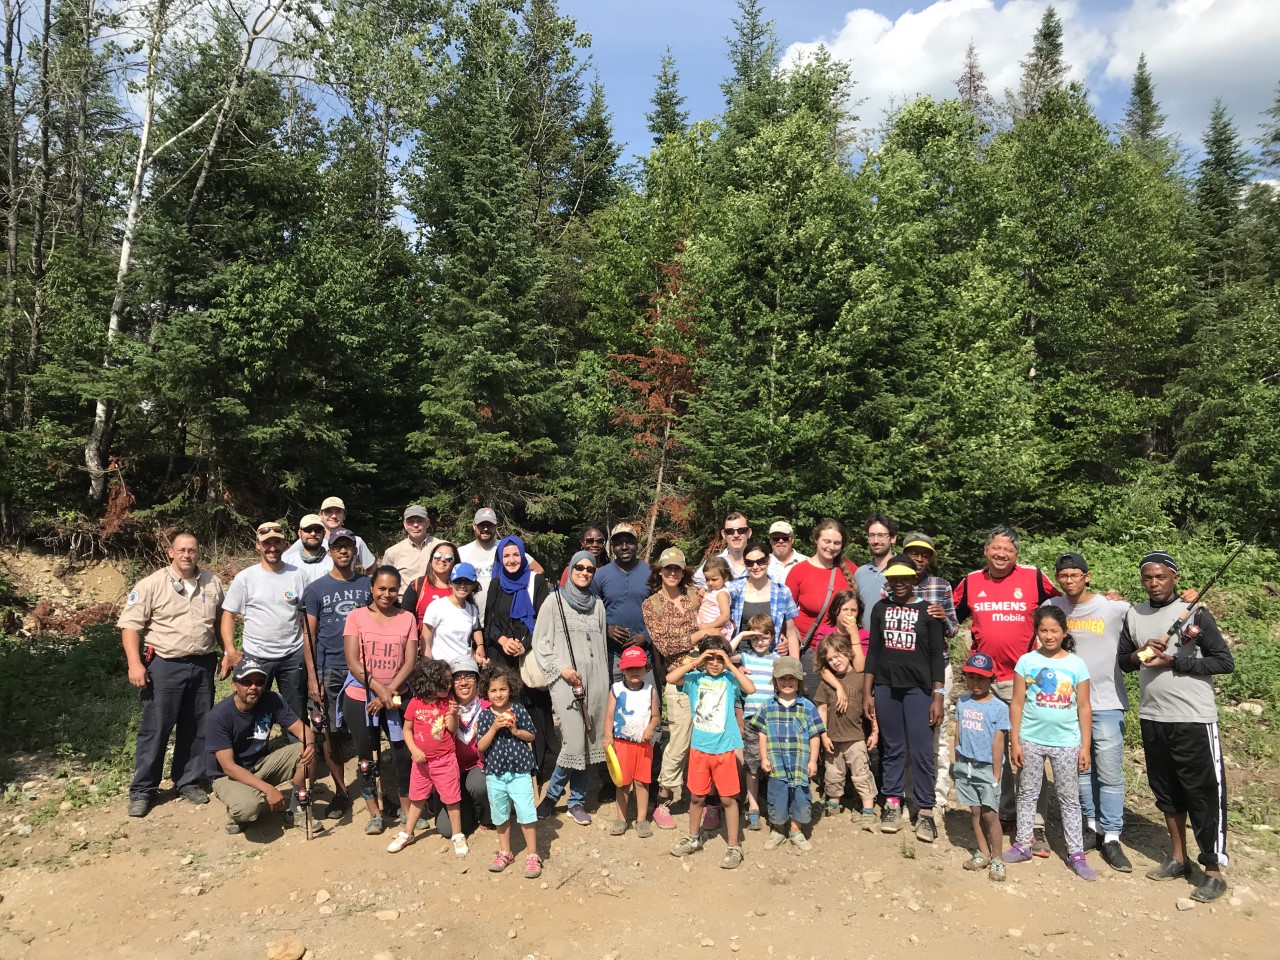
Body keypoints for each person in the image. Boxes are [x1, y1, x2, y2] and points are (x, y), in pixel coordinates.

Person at [1118, 551, 1234, 903]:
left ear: (1174, 578)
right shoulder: (1133, 614)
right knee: (1166, 793)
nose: (1154, 583)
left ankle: (1213, 870)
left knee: (1202, 793)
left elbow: (1223, 661)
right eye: (1148, 578)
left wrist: (1176, 661)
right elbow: (1125, 662)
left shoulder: (1197, 611)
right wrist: (1141, 653)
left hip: (1194, 718)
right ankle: (1178, 858)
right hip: (1153, 717)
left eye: (1161, 577)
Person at [953, 524, 1060, 842]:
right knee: (991, 754)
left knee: (1027, 753)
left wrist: (1105, 599)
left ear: (1017, 554)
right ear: (986, 551)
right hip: (983, 683)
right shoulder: (971, 582)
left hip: (1024, 682)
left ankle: (1035, 823)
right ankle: (1005, 815)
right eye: (996, 549)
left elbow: (1068, 604)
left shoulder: (1035, 578)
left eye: (1008, 550)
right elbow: (949, 617)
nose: (1001, 554)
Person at [120, 533, 233, 818]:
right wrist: (135, 663)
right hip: (165, 665)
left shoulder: (211, 582)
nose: (187, 555)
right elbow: (131, 627)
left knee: (198, 726)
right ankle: (143, 790)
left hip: (202, 663)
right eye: (181, 550)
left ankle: (188, 781)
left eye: (192, 550)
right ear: (170, 553)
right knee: (156, 728)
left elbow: (221, 620)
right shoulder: (151, 584)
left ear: (198, 553)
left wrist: (228, 652)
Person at [1046, 551, 1134, 872]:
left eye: (1075, 575)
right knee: (1081, 770)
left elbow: (1152, 614)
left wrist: (1187, 598)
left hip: (1107, 701)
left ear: (1087, 576)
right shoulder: (1052, 609)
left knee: (1109, 773)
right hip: (1068, 705)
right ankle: (1092, 826)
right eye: (1063, 576)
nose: (1069, 581)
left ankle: (1112, 836)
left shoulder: (1115, 608)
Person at [1003, 607, 1096, 881]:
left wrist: (1085, 746)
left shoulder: (1076, 665)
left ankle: (1076, 853)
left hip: (1067, 743)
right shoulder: (1026, 661)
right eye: (1043, 630)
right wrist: (1015, 742)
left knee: (1069, 799)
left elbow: (1084, 707)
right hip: (1030, 739)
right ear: (1036, 632)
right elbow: (1017, 703)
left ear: (1064, 632)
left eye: (1054, 630)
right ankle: (1023, 844)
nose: (1049, 635)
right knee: (1027, 793)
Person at [864, 554, 947, 842]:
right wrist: (868, 691)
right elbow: (873, 651)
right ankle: (892, 803)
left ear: (914, 579)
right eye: (893, 577)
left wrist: (938, 695)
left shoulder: (930, 612)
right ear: (888, 579)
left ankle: (925, 810)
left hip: (920, 690)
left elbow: (938, 656)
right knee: (893, 747)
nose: (898, 582)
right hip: (886, 687)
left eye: (904, 577)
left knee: (922, 750)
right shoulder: (880, 609)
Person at [533, 551, 609, 826]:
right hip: (567, 681)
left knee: (589, 742)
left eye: (590, 569)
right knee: (574, 742)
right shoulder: (554, 602)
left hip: (597, 681)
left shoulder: (597, 605)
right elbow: (540, 643)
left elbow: (600, 646)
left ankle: (577, 801)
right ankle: (551, 798)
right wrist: (562, 668)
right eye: (579, 567)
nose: (585, 572)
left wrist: (603, 684)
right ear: (570, 568)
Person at [666, 637, 755, 869]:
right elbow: (670, 678)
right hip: (699, 749)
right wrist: (697, 661)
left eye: (719, 659)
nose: (714, 663)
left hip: (724, 750)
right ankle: (693, 838)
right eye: (710, 658)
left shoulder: (730, 679)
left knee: (728, 798)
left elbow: (750, 688)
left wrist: (730, 663)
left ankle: (734, 845)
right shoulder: (695, 679)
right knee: (697, 797)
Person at [302, 528, 370, 821]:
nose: (343, 551)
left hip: (364, 670)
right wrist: (312, 677)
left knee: (367, 732)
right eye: (338, 547)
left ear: (355, 551)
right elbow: (309, 635)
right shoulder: (316, 589)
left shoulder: (369, 585)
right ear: (329, 552)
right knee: (331, 734)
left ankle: (372, 789)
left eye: (348, 547)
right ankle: (341, 792)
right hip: (329, 669)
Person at [342, 566, 416, 835]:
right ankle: (374, 811)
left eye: (393, 589)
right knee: (366, 756)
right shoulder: (356, 617)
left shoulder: (407, 618)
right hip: (360, 696)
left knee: (403, 753)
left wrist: (389, 692)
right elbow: (352, 661)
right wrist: (377, 689)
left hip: (397, 696)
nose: (387, 594)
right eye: (381, 588)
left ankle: (408, 809)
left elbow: (410, 660)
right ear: (372, 588)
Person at [206, 658, 315, 835]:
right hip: (227, 776)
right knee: (248, 807)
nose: (253, 687)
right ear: (234, 685)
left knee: (304, 751)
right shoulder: (218, 716)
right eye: (246, 682)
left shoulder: (271, 699)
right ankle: (238, 811)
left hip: (260, 764)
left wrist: (309, 744)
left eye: (259, 682)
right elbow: (229, 767)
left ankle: (296, 810)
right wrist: (268, 789)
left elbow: (302, 729)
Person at [221, 522, 310, 723]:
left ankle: (299, 749)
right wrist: (230, 651)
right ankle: (252, 749)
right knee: (251, 705)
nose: (272, 547)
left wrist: (309, 649)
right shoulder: (245, 578)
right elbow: (228, 615)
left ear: (285, 544)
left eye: (277, 542)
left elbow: (308, 616)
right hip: (257, 654)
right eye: (266, 543)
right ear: (257, 546)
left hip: (292, 654)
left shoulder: (298, 575)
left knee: (296, 708)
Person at [483, 535, 554, 780]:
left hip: (530, 655)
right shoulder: (495, 584)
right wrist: (503, 641)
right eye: (506, 555)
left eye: (516, 555)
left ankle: (538, 767)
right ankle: (507, 762)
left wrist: (524, 643)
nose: (512, 560)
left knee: (534, 710)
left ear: (523, 556)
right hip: (502, 657)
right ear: (500, 559)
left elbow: (545, 621)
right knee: (505, 707)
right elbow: (488, 623)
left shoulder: (537, 581)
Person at [899, 532, 961, 811]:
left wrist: (942, 617)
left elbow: (954, 630)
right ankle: (908, 792)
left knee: (937, 728)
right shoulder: (891, 585)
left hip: (938, 667)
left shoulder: (941, 585)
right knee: (906, 732)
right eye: (913, 552)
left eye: (924, 554)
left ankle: (937, 794)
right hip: (903, 668)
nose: (919, 558)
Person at [641, 547, 701, 830]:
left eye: (678, 569)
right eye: (668, 569)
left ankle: (703, 798)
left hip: (708, 676)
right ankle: (663, 798)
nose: (673, 573)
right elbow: (665, 646)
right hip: (678, 679)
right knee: (678, 739)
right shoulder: (651, 605)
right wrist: (699, 635)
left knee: (706, 739)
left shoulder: (695, 597)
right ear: (659, 572)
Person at [387, 658, 466, 855]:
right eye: (445, 681)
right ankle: (407, 833)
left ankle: (458, 835)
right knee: (417, 797)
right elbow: (407, 730)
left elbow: (453, 730)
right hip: (421, 762)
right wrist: (413, 750)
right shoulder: (415, 703)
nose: (450, 685)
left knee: (452, 798)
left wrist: (453, 717)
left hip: (445, 760)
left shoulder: (449, 702)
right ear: (430, 682)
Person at [751, 656, 824, 852]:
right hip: (777, 764)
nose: (787, 682)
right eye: (783, 678)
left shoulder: (807, 707)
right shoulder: (767, 706)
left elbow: (815, 735)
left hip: (800, 764)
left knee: (800, 796)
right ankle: (778, 830)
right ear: (775, 681)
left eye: (792, 678)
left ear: (799, 681)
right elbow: (762, 733)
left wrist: (813, 761)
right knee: (777, 796)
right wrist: (764, 758)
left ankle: (796, 831)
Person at [477, 664, 543, 879]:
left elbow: (531, 736)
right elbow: (481, 746)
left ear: (510, 689)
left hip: (519, 770)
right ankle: (505, 851)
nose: (498, 694)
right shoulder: (485, 716)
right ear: (486, 692)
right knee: (500, 814)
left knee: (525, 812)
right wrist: (495, 728)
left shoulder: (519, 710)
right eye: (493, 690)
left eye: (502, 689)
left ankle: (533, 855)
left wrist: (515, 730)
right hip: (495, 773)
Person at [954, 651, 1010, 883]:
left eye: (982, 678)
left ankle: (998, 858)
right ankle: (983, 852)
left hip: (987, 767)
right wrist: (956, 759)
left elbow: (999, 742)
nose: (976, 682)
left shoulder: (998, 707)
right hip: (965, 765)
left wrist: (996, 774)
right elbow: (958, 732)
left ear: (992, 680)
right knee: (975, 811)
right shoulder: (962, 701)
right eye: (971, 677)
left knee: (990, 814)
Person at [786, 519, 859, 694]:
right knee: (814, 707)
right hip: (811, 653)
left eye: (837, 543)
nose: (831, 547)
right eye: (827, 541)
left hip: (843, 653)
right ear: (816, 539)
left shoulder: (850, 569)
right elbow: (785, 613)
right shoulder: (799, 571)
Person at [814, 632, 878, 830]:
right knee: (833, 772)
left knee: (861, 773)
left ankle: (868, 808)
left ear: (848, 652)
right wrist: (823, 734)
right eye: (830, 659)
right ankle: (834, 802)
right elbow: (821, 709)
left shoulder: (860, 677)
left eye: (838, 655)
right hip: (833, 737)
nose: (835, 661)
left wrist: (875, 731)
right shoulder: (826, 682)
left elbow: (873, 708)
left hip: (856, 736)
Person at [605, 645, 660, 837]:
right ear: (622, 668)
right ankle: (621, 819)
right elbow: (609, 716)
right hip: (621, 743)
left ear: (646, 668)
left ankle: (642, 819)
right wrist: (608, 736)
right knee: (622, 783)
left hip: (643, 745)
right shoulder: (616, 689)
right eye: (629, 668)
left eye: (638, 667)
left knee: (642, 782)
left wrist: (650, 728)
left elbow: (655, 716)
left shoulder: (650, 690)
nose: (634, 672)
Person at [457, 507, 543, 623]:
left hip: (499, 621)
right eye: (481, 525)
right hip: (469, 618)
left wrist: (517, 588)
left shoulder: (506, 548)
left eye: (490, 525)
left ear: (496, 526)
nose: (486, 529)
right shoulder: (462, 552)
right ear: (474, 525)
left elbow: (538, 569)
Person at [590, 523, 653, 681]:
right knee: (614, 702)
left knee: (649, 703)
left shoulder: (651, 573)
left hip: (644, 654)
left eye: (629, 542)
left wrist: (646, 636)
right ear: (612, 547)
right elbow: (589, 613)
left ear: (637, 545)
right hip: (613, 656)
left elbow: (663, 613)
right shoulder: (601, 576)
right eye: (618, 543)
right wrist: (606, 629)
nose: (624, 547)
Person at [737, 614, 780, 832]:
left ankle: (774, 807)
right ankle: (753, 807)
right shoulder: (745, 657)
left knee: (773, 765)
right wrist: (743, 634)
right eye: (755, 638)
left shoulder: (777, 661)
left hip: (773, 720)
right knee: (752, 765)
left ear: (772, 636)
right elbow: (724, 653)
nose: (760, 641)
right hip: (752, 719)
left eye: (764, 637)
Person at [442, 655, 491, 836]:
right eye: (457, 677)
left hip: (478, 768)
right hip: (450, 772)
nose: (463, 682)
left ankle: (487, 815)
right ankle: (469, 811)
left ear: (478, 681)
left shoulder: (488, 708)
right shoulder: (441, 708)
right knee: (447, 830)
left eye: (469, 676)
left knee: (479, 785)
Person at [727, 541, 801, 657]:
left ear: (768, 560)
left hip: (772, 659)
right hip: (739, 658)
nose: (755, 567)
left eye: (760, 561)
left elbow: (791, 633)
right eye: (750, 563)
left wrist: (795, 667)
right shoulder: (733, 589)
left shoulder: (782, 591)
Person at [421, 562, 485, 665]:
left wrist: (479, 650)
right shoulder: (437, 606)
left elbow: (464, 644)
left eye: (467, 582)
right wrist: (428, 664)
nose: (462, 585)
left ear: (473, 585)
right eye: (458, 581)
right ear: (450, 583)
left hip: (464, 668)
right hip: (441, 669)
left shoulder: (472, 609)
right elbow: (425, 641)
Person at [854, 512, 898, 631]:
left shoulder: (903, 570)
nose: (875, 541)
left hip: (893, 642)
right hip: (864, 643)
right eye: (871, 535)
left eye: (881, 535)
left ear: (893, 538)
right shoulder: (860, 572)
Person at [381, 505, 437, 595]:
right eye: (411, 522)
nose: (415, 525)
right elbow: (384, 582)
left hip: (435, 601)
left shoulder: (441, 547)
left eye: (420, 521)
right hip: (403, 604)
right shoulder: (393, 552)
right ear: (405, 525)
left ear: (427, 523)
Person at [401, 540, 458, 625]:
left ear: (455, 562)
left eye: (448, 558)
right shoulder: (417, 584)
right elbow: (404, 618)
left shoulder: (460, 586)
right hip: (421, 637)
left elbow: (471, 617)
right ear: (431, 559)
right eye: (437, 556)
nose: (442, 559)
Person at [693, 512, 752, 589]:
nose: (736, 535)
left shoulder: (763, 562)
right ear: (724, 534)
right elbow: (693, 586)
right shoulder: (714, 563)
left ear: (749, 533)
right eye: (730, 531)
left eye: (741, 530)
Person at [316, 496, 376, 569]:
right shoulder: (309, 542)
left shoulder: (357, 541)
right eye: (328, 511)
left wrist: (364, 580)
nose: (334, 516)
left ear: (344, 515)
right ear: (321, 515)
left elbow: (372, 569)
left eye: (338, 511)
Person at [283, 515, 334, 585]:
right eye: (308, 530)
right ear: (300, 533)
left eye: (317, 530)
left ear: (324, 533)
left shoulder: (334, 562)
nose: (313, 534)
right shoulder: (286, 562)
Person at [694, 557, 734, 643]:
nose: (710, 583)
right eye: (707, 579)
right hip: (703, 625)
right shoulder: (711, 590)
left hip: (714, 629)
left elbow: (725, 616)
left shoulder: (722, 594)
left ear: (725, 577)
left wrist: (708, 626)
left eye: (714, 579)